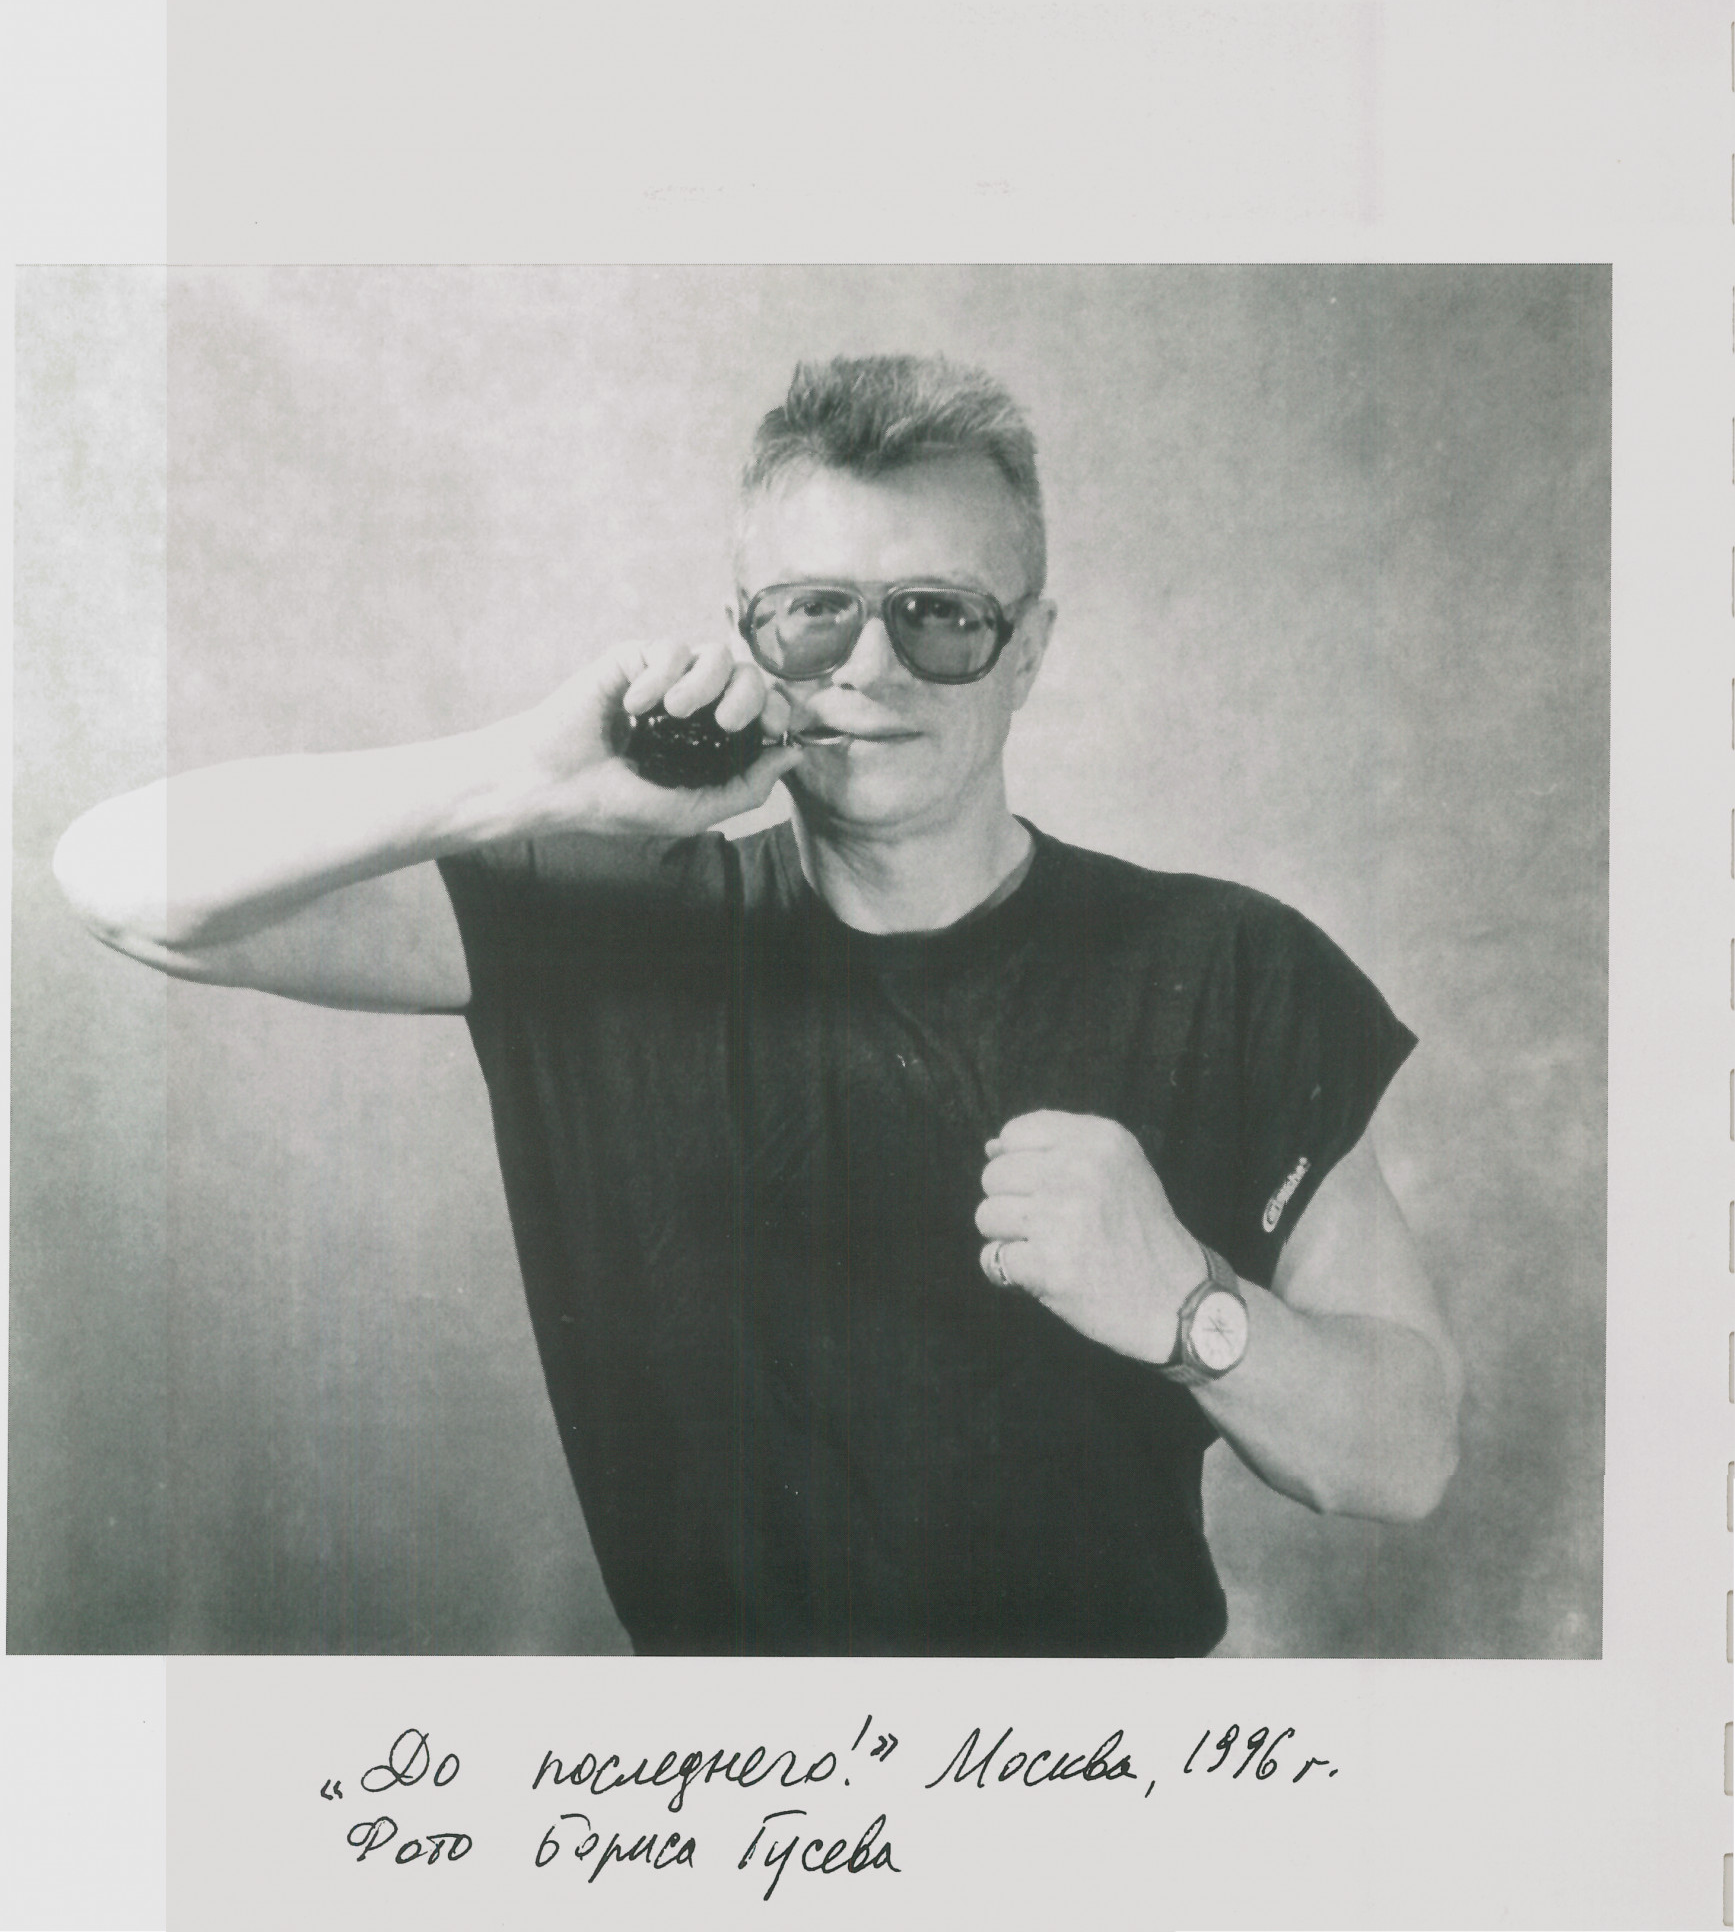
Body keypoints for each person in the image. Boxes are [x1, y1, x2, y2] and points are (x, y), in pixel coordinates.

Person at [53, 354, 1460, 1657]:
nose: (870, 668)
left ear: (1029, 649)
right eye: (814, 613)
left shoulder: (1227, 966)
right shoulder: (609, 926)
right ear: (745, 636)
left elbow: (1406, 1455)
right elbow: (121, 883)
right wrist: (526, 776)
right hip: (735, 1792)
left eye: (941, 616)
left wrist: (1183, 1300)